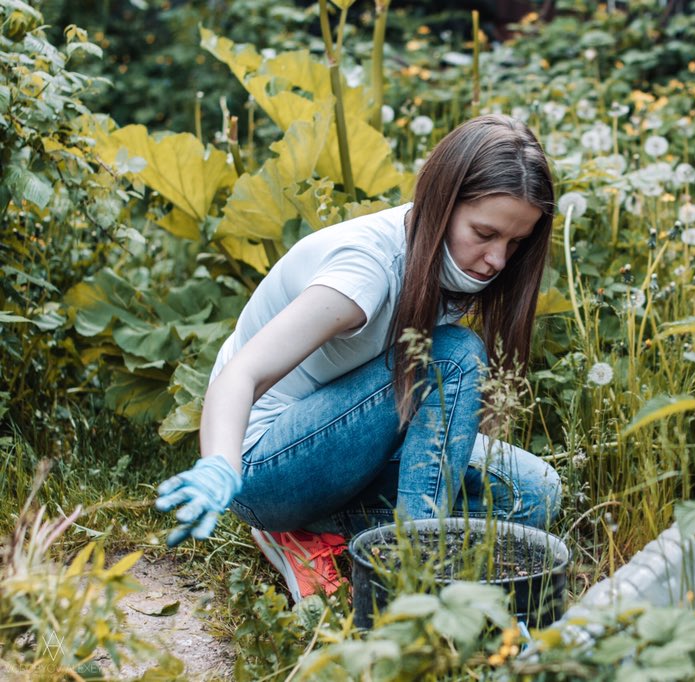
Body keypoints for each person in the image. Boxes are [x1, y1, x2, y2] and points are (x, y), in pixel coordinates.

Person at [154, 114, 563, 603]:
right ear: (442, 201)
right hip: (266, 466)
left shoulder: (449, 266)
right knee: (452, 355)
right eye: (485, 233)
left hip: (346, 446)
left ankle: (317, 532)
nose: (497, 259)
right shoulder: (365, 270)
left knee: (534, 494)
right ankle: (414, 574)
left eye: (514, 243)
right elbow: (244, 372)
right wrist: (220, 465)